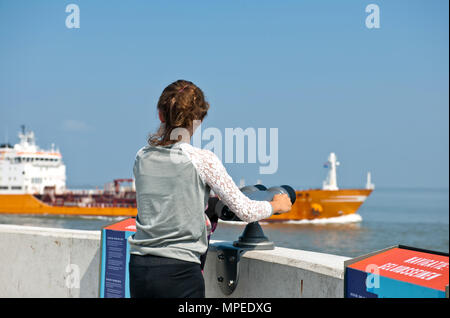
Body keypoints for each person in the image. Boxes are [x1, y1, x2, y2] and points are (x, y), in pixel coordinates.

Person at [128, 79, 292, 298]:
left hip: (140, 267)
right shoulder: (202, 159)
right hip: (180, 271)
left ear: (160, 114)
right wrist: (275, 205)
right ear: (198, 121)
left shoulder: (142, 156)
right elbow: (246, 211)